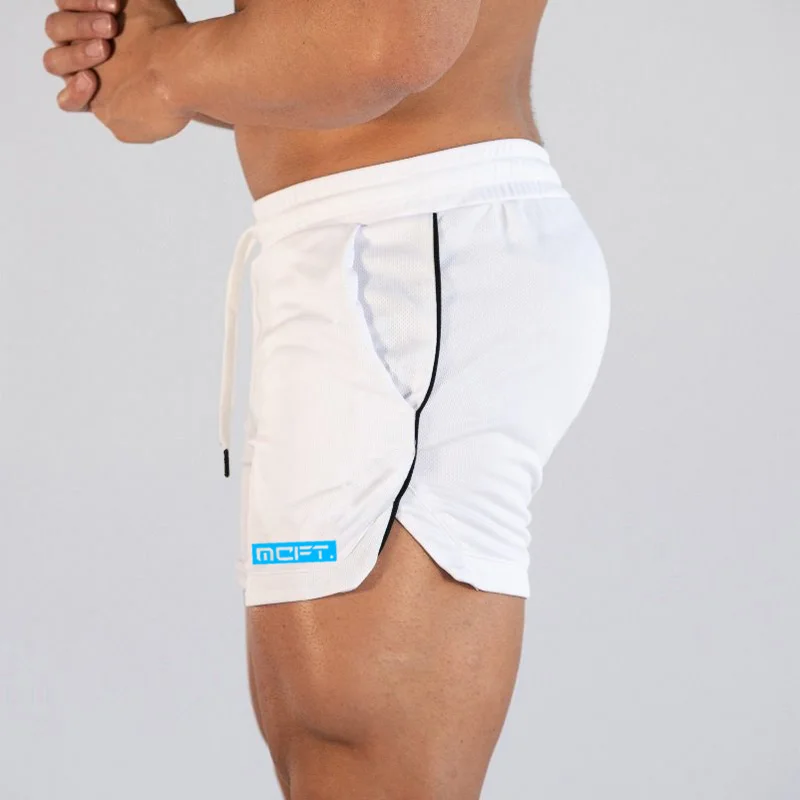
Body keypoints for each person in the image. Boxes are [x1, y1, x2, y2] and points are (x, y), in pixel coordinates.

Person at [42, 1, 611, 797]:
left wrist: (169, 70)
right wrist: (169, 58)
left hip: (404, 259)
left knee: (355, 753)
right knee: (328, 751)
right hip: (388, 255)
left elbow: (391, 37)